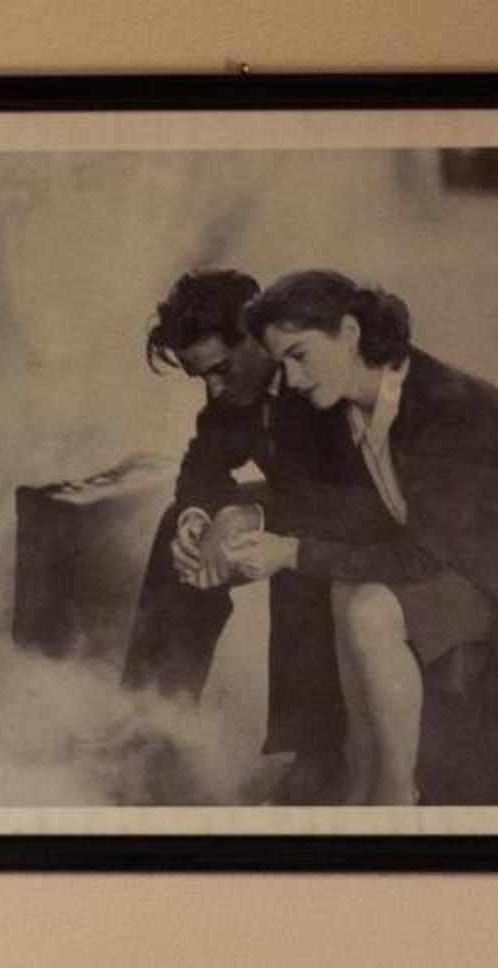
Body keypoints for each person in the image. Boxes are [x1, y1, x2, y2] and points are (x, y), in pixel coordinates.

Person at [204, 269, 498, 804]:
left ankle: (396, 794)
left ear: (349, 332)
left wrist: (290, 551)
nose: (292, 378)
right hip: (459, 559)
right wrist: (245, 516)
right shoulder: (350, 403)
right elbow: (335, 510)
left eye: (300, 355)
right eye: (281, 362)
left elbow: (423, 554)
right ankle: (362, 777)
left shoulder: (450, 407)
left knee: (369, 609)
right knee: (343, 588)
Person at [118, 268, 351, 795]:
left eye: (220, 369)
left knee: (286, 556)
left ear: (254, 334)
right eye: (203, 377)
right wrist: (197, 520)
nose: (215, 389)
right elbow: (203, 465)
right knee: (179, 526)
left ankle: (316, 755)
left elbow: (349, 502)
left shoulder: (317, 374)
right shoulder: (234, 394)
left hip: (365, 517)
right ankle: (153, 721)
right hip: (304, 505)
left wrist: (258, 520)